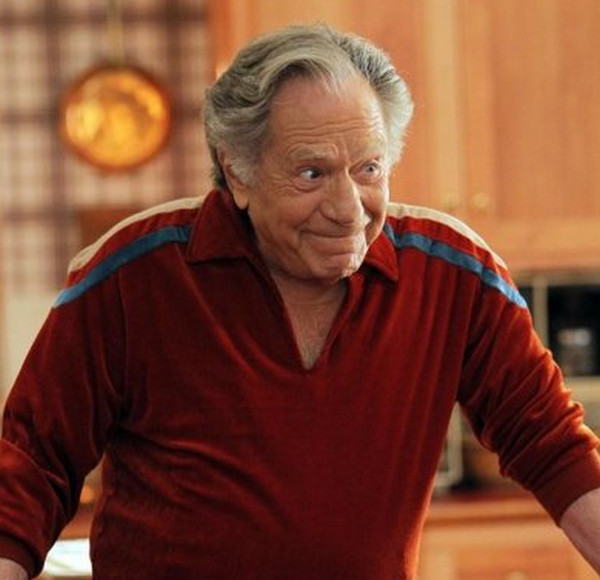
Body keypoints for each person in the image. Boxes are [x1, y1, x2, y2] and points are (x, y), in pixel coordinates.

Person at [0, 23, 599, 580]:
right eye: (312, 173)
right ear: (238, 172)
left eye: (368, 169)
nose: (348, 209)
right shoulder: (131, 274)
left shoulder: (454, 274)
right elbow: (31, 465)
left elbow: (554, 447)